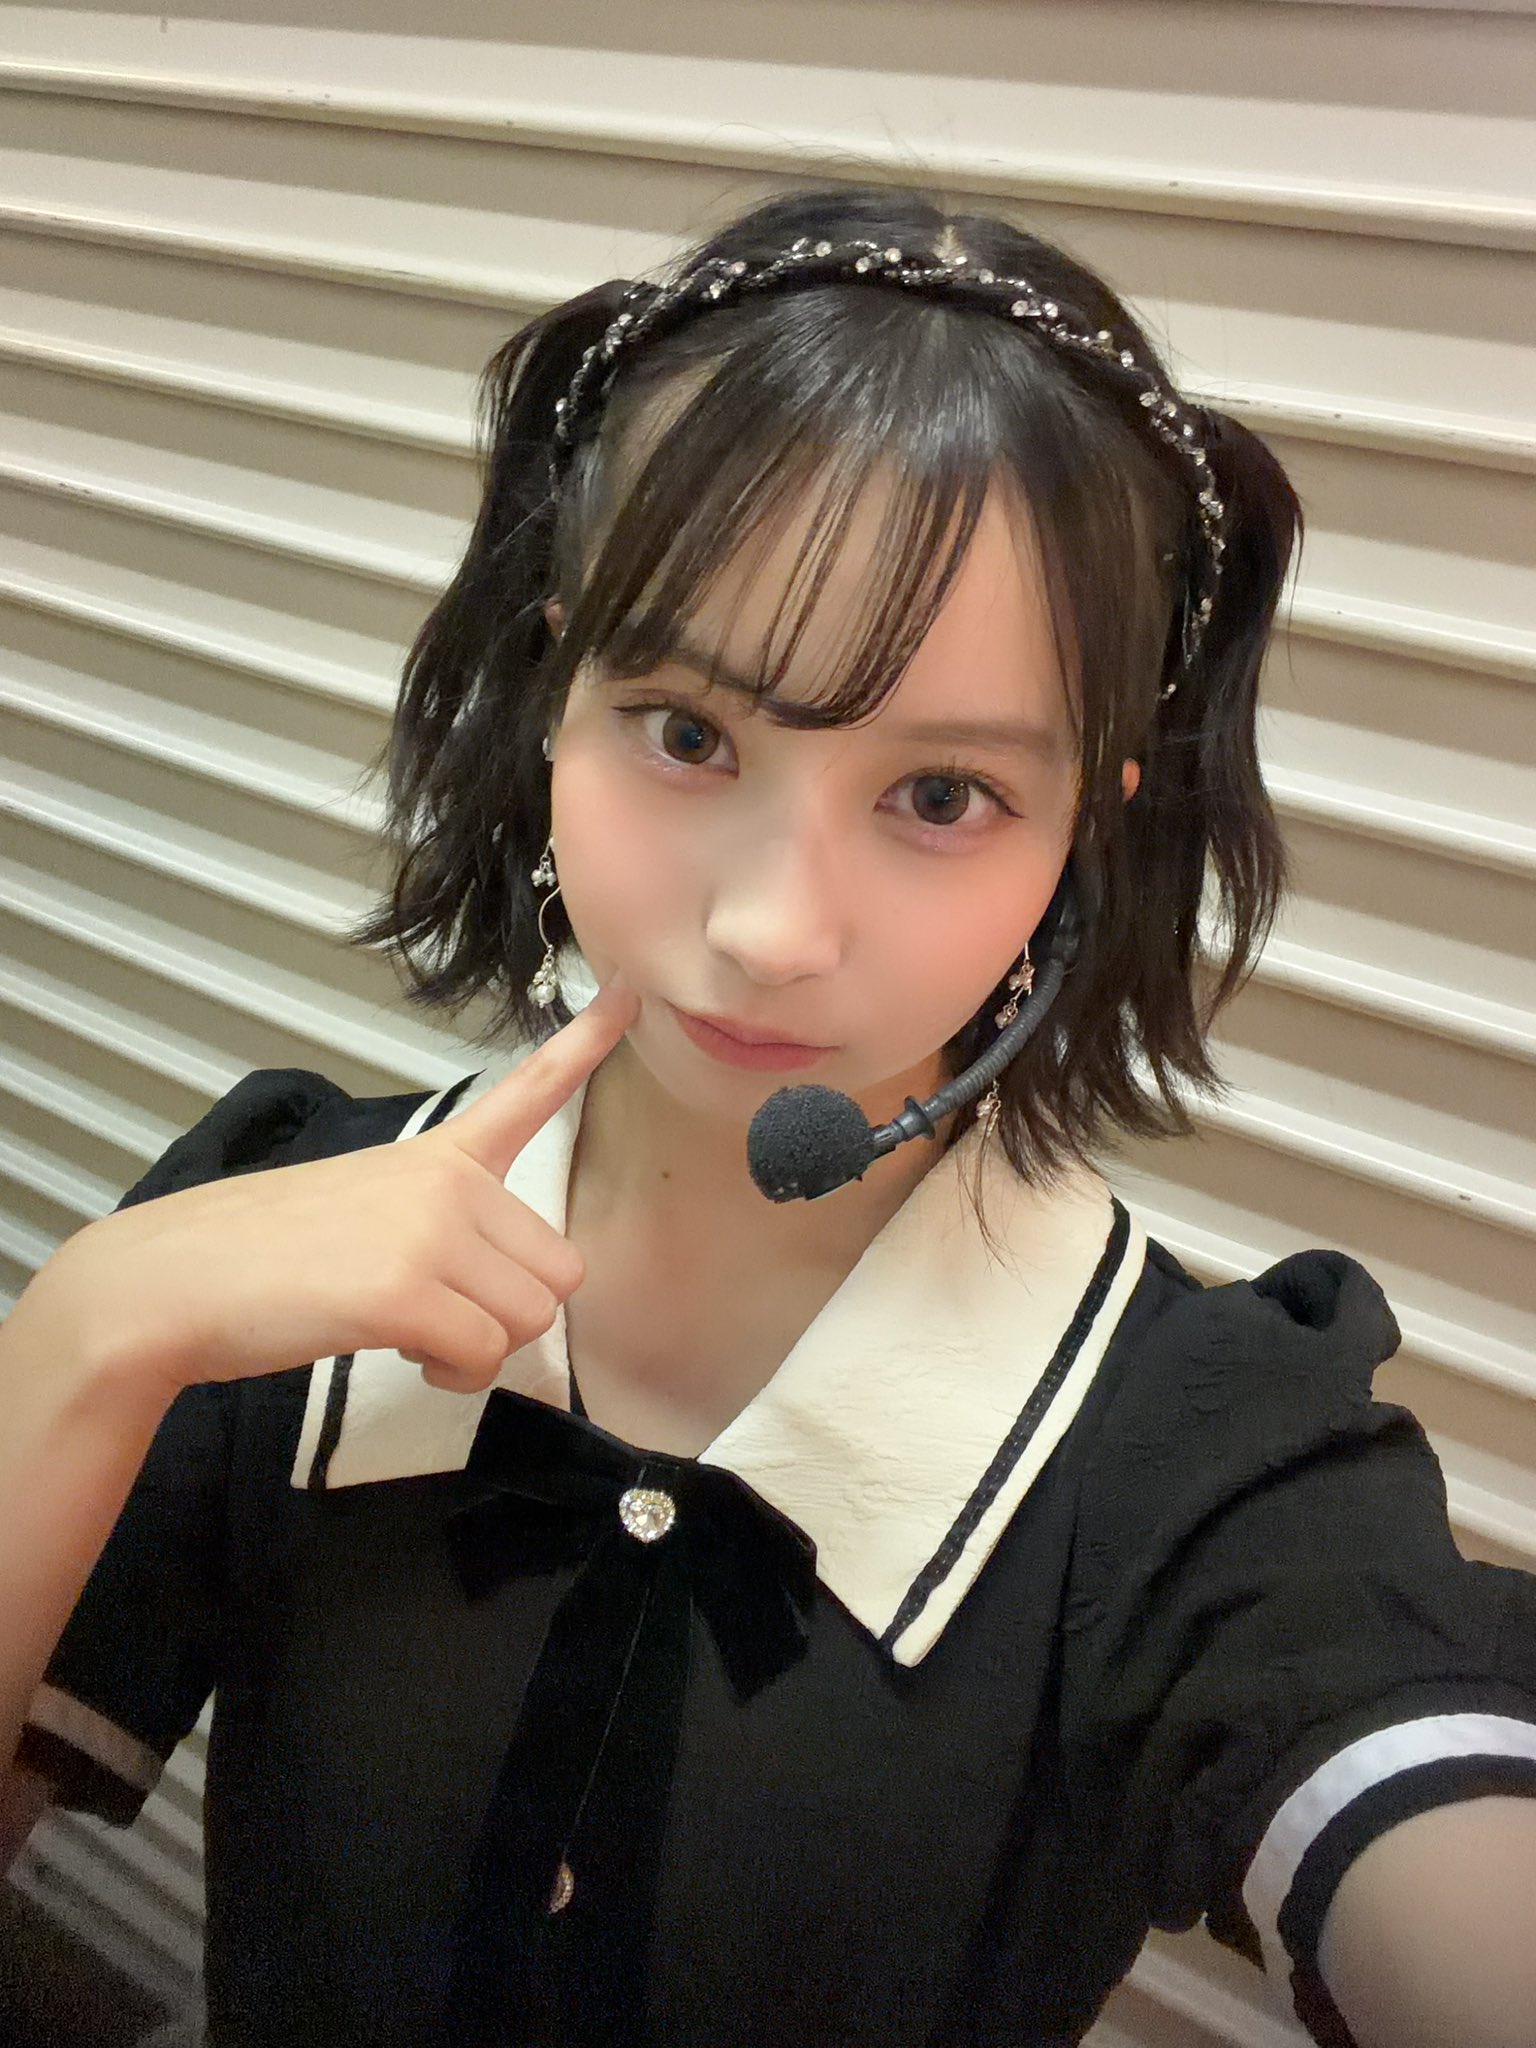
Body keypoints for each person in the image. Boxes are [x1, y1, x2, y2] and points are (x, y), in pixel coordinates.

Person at [3, 181, 1535, 2048]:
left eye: (944, 795)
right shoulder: (275, 1231)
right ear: (555, 690)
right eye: (688, 733)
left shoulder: (1206, 1452)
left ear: (1088, 831)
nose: (770, 930)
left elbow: (1416, 1806)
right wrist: (86, 1334)